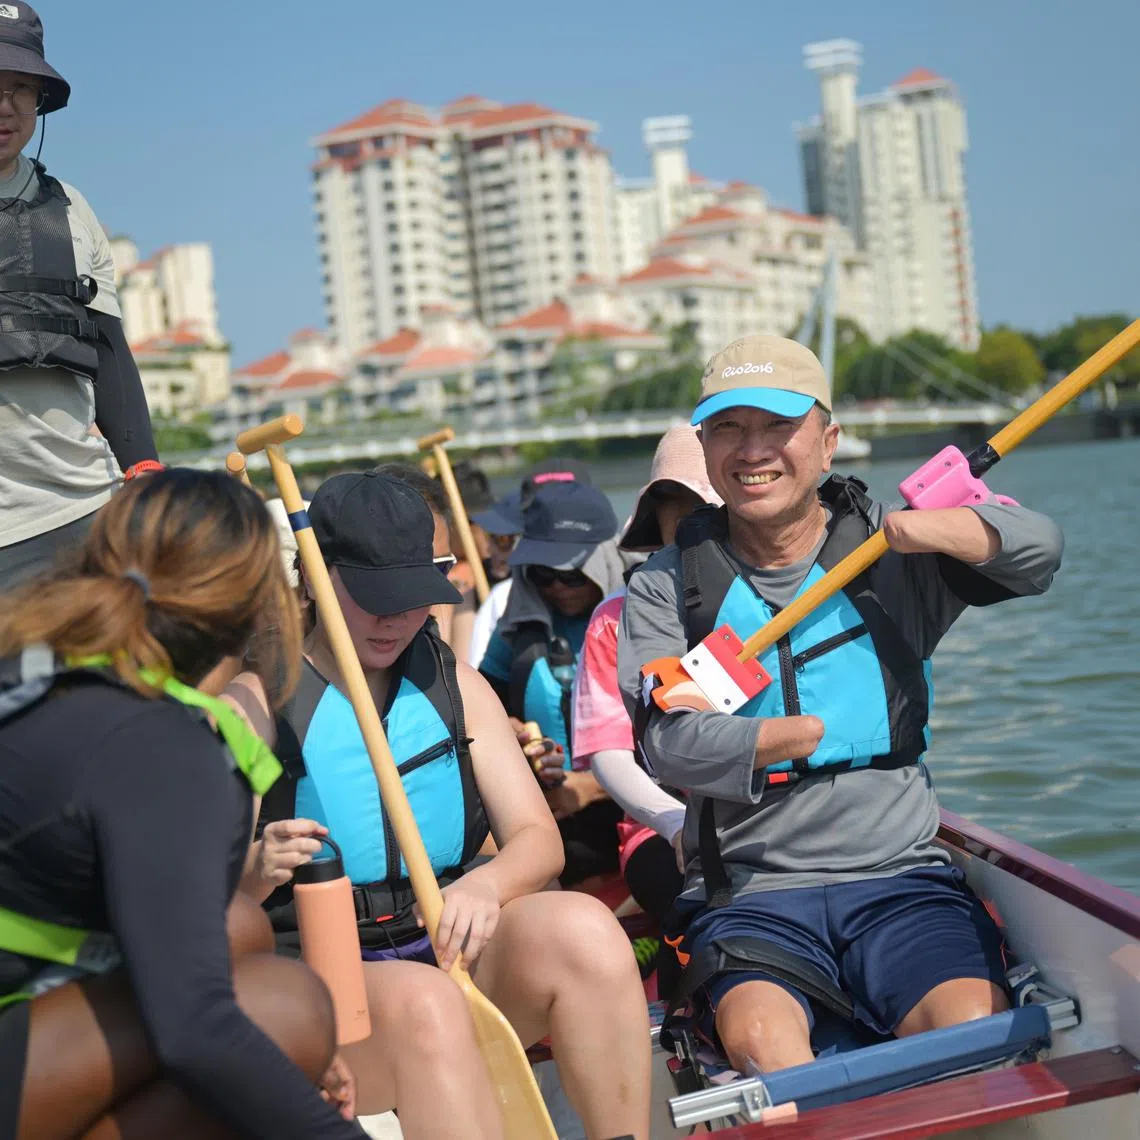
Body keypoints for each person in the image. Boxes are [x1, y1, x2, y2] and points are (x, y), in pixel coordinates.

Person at [617, 334, 1065, 1075]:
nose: (751, 450)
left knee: (972, 1030)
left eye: (776, 427)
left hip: (901, 878)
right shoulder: (668, 585)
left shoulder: (893, 555)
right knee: (765, 1045)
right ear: (705, 446)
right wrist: (769, 742)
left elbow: (1040, 552)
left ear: (827, 445)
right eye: (728, 428)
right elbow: (666, 742)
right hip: (753, 897)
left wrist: (942, 529)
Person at [231, 472, 652, 1140]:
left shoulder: (447, 677)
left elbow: (538, 842)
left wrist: (488, 885)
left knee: (587, 932)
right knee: (427, 1005)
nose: (397, 618)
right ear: (312, 580)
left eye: (411, 597)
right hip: (324, 981)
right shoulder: (256, 697)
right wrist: (256, 868)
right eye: (376, 598)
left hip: (448, 941)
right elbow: (201, 909)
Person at [0, 469, 364, 1139]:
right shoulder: (166, 749)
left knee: (242, 931)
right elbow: (196, 1032)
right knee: (288, 1011)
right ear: (258, 609)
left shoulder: (31, 662)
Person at [0, 2, 160, 587]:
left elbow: (111, 350)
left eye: (20, 88)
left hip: (85, 512)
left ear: (41, 101)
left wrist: (143, 467)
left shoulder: (72, 208)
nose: (4, 106)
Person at [571, 425, 721, 995]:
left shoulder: (774, 600)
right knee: (698, 908)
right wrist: (673, 821)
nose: (692, 528)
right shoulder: (614, 618)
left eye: (707, 509)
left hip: (768, 813)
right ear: (654, 519)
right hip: (661, 827)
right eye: (675, 509)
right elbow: (608, 754)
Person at [479, 479, 628, 886]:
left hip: (634, 813)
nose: (557, 588)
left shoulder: (648, 620)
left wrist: (591, 787)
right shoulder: (517, 628)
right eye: (543, 574)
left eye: (571, 575)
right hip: (548, 812)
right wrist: (512, 738)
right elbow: (479, 707)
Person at [468, 457, 594, 670]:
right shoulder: (504, 600)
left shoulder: (627, 597)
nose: (557, 585)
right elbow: (484, 682)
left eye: (505, 540)